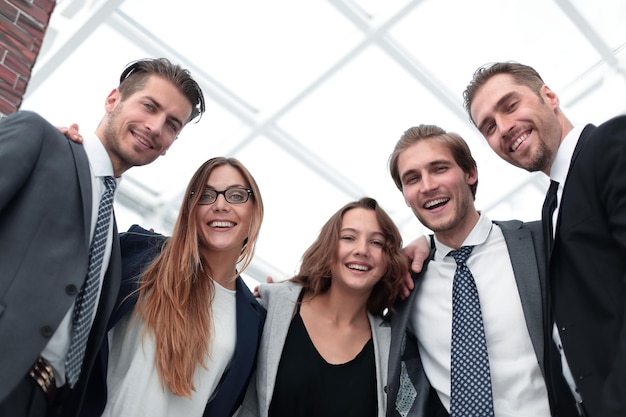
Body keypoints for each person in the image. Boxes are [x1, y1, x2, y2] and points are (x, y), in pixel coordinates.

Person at [0, 57, 204, 417]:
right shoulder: (43, 141)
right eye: (149, 106)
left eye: (172, 124)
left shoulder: (111, 236)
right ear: (113, 100)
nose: (156, 127)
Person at [464, 61, 626, 417]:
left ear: (549, 97)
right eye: (489, 126)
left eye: (510, 106)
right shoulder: (550, 208)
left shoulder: (612, 145)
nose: (504, 128)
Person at [385, 125, 574, 417]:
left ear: (470, 173)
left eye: (439, 168)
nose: (427, 185)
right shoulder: (405, 280)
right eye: (412, 178)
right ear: (406, 196)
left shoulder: (542, 242)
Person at [79, 157, 266, 417]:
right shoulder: (138, 251)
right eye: (206, 195)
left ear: (254, 212)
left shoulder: (254, 321)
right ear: (191, 208)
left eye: (236, 196)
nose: (220, 205)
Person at [238, 197, 407, 417]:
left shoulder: (392, 347)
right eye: (348, 237)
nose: (362, 250)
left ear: (388, 259)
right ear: (329, 247)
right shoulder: (272, 307)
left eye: (377, 242)